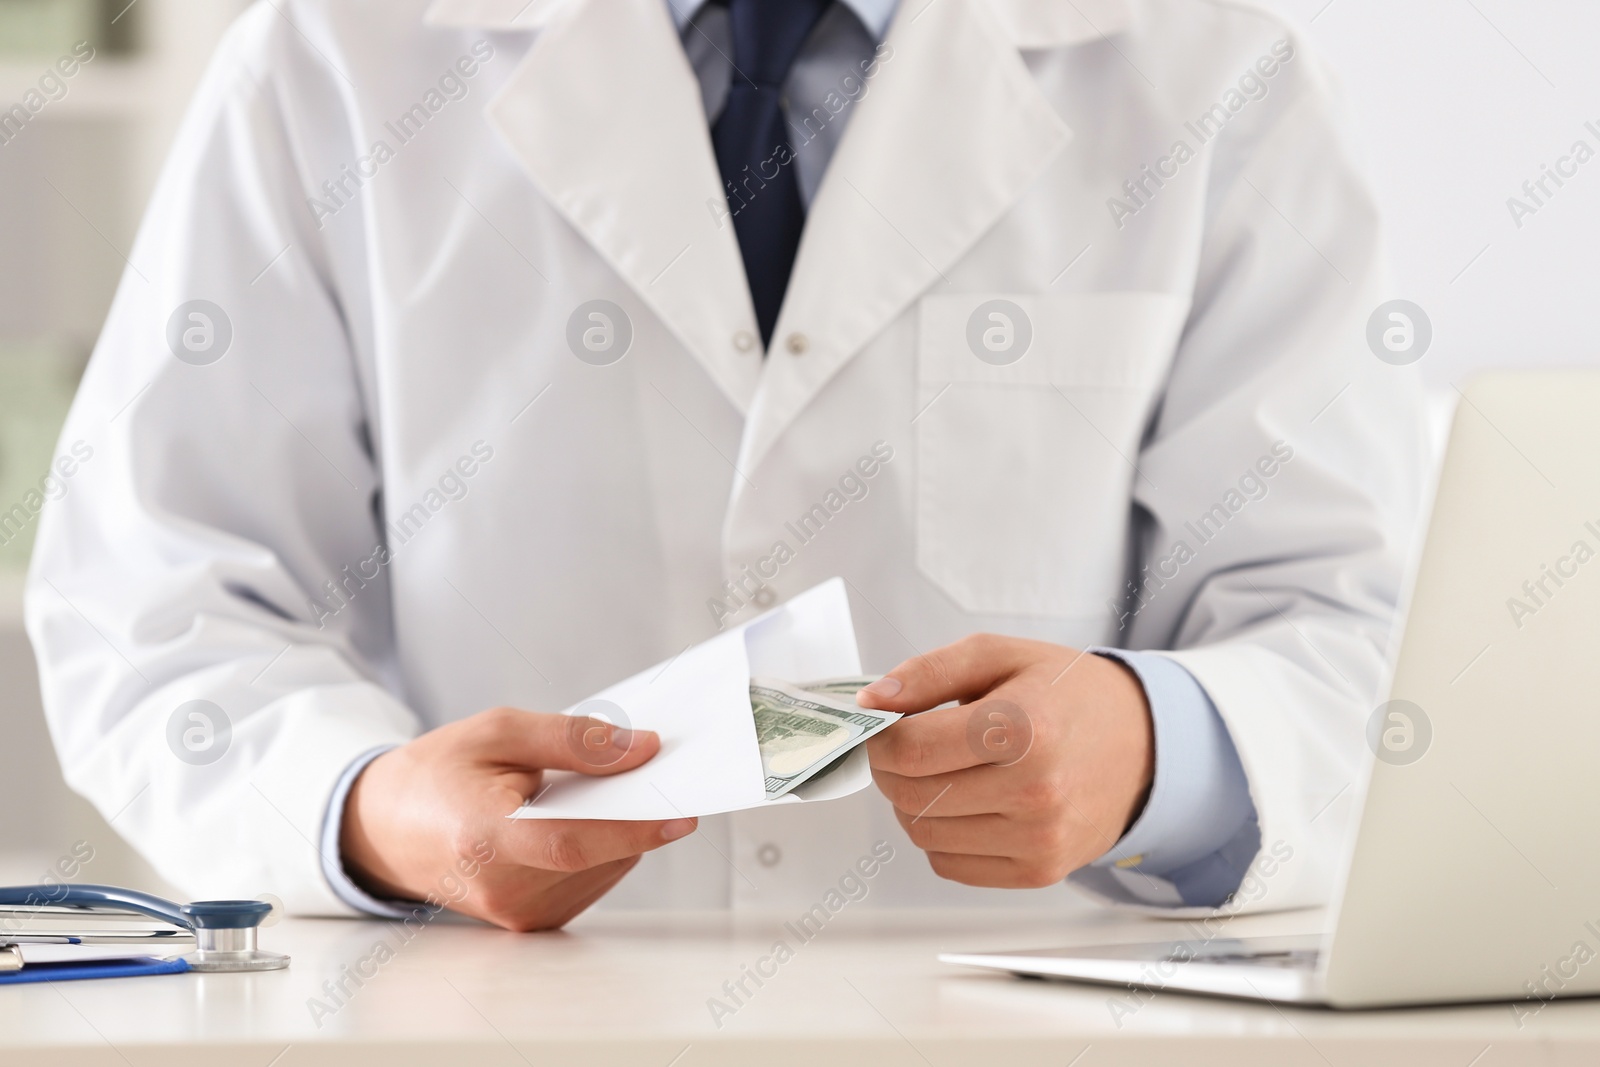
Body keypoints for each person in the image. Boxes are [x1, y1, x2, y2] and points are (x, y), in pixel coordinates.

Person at [27, 0, 1424, 931]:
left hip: (1024, 1020)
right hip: (484, 1024)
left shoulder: (1209, 60)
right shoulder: (335, 51)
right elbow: (156, 606)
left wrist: (1160, 752)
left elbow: (1367, 629)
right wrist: (372, 812)